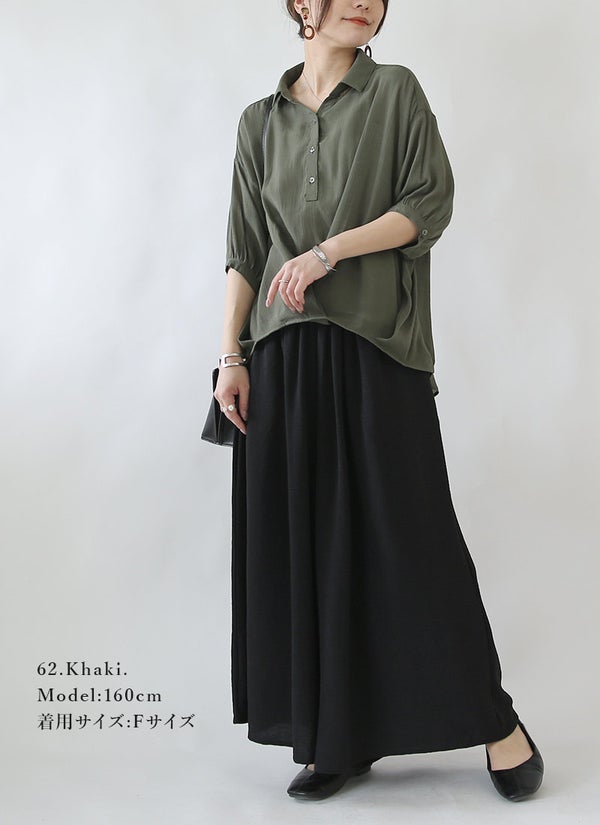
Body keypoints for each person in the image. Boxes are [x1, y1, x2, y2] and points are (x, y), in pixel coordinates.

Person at [213, 0, 544, 803]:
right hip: (282, 352)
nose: (364, 2)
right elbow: (245, 249)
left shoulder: (395, 91)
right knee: (310, 550)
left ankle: (498, 723)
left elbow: (427, 202)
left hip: (377, 344)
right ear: (302, 3)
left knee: (413, 537)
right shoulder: (259, 122)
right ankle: (338, 736)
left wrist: (328, 251)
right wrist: (230, 355)